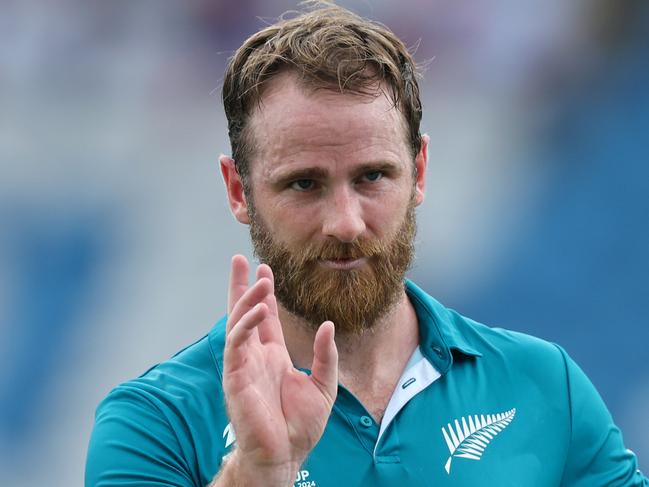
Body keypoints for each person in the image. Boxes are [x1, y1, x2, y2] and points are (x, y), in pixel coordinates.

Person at [86, 3, 647, 486]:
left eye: (373, 177)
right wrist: (254, 474)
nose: (346, 222)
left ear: (420, 172)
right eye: (304, 184)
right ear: (239, 190)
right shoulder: (155, 422)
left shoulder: (544, 384)